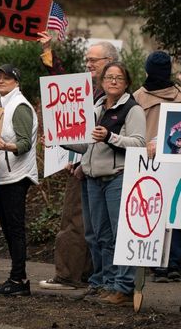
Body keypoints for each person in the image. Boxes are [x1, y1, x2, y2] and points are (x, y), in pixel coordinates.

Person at [38, 35, 119, 291]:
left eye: (92, 60)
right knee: (89, 226)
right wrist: (48, 52)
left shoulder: (112, 96)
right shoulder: (95, 91)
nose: (88, 64)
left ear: (110, 61)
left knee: (81, 223)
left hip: (98, 169)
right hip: (84, 163)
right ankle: (86, 276)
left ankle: (70, 276)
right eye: (87, 59)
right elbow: (64, 92)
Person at [62, 62, 146, 305]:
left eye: (119, 78)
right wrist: (61, 141)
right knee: (99, 236)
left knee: (120, 236)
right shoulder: (96, 107)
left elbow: (139, 144)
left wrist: (111, 136)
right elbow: (88, 144)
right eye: (109, 77)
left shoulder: (132, 109)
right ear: (101, 82)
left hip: (117, 178)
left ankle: (123, 286)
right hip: (92, 179)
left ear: (127, 82)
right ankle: (107, 283)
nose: (113, 81)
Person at [0, 64, 38, 296]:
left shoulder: (19, 106)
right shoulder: (2, 103)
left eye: (6, 78)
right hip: (2, 176)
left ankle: (19, 279)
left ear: (16, 82)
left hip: (16, 176)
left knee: (14, 229)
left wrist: (8, 146)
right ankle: (16, 278)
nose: (1, 80)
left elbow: (25, 143)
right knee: (7, 228)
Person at [133, 51, 181, 282]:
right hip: (176, 161)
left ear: (147, 70)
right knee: (175, 213)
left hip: (145, 163)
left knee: (152, 211)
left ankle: (157, 264)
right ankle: (174, 264)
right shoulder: (180, 95)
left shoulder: (137, 98)